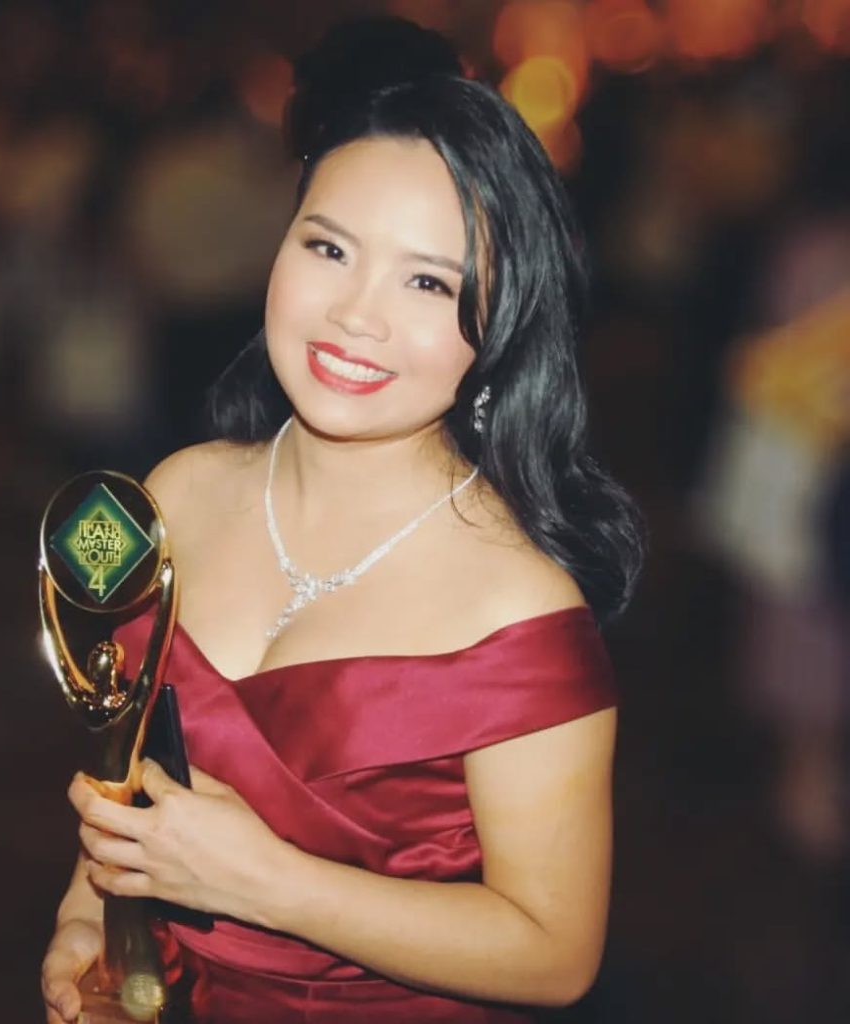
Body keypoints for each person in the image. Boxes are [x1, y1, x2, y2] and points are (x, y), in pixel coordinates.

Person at [41, 17, 643, 1024]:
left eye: (425, 281)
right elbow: (130, 768)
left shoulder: (521, 607)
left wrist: (268, 880)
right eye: (328, 247)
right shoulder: (177, 491)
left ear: (496, 324)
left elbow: (555, 953)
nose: (356, 313)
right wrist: (82, 922)